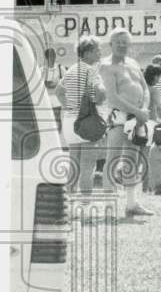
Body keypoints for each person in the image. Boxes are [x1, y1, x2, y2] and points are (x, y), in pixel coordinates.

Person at [98, 28, 153, 217]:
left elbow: (145, 88)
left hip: (137, 117)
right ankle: (108, 205)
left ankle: (131, 204)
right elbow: (112, 97)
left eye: (125, 42)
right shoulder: (106, 66)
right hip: (119, 116)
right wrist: (137, 111)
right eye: (118, 42)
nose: (122, 45)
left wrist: (143, 110)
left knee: (133, 158)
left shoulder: (133, 63)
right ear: (110, 44)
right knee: (113, 158)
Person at [54, 36, 106, 195]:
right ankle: (85, 202)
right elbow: (99, 95)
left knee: (73, 164)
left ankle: (69, 198)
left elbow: (58, 91)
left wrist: (68, 106)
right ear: (89, 52)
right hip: (87, 122)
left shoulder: (71, 69)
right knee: (87, 166)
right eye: (98, 50)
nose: (100, 53)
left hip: (70, 122)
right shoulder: (90, 71)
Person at [140, 64, 161, 191]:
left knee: (135, 157)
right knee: (147, 158)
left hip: (137, 123)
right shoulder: (153, 90)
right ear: (155, 76)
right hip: (149, 124)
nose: (159, 79)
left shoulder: (139, 87)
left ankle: (133, 186)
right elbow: (160, 106)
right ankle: (146, 187)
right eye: (159, 77)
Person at [43, 47, 66, 127]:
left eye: (54, 56)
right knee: (48, 120)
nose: (52, 58)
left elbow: (66, 82)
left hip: (57, 98)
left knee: (57, 118)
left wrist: (56, 84)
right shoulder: (42, 70)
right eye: (50, 56)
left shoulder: (60, 68)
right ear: (46, 57)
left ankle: (58, 136)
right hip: (46, 99)